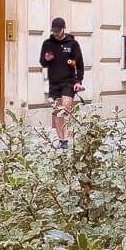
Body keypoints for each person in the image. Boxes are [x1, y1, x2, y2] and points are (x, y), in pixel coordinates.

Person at [39, 16, 85, 150]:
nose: (56, 33)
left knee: (66, 108)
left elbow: (79, 64)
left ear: (63, 29)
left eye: (58, 31)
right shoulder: (47, 44)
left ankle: (66, 136)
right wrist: (47, 59)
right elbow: (42, 62)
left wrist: (78, 81)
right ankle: (62, 140)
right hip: (54, 83)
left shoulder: (72, 44)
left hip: (68, 82)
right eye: (54, 31)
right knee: (57, 111)